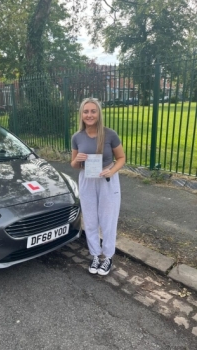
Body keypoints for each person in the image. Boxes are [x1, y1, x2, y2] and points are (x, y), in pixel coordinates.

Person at [71, 98, 125, 276]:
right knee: (91, 219)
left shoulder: (110, 134)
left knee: (108, 220)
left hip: (107, 179)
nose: (89, 115)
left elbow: (121, 158)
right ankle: (95, 254)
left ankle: (108, 256)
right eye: (86, 111)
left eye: (93, 111)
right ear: (81, 114)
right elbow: (74, 164)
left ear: (98, 113)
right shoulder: (77, 137)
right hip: (87, 179)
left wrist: (112, 171)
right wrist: (77, 160)